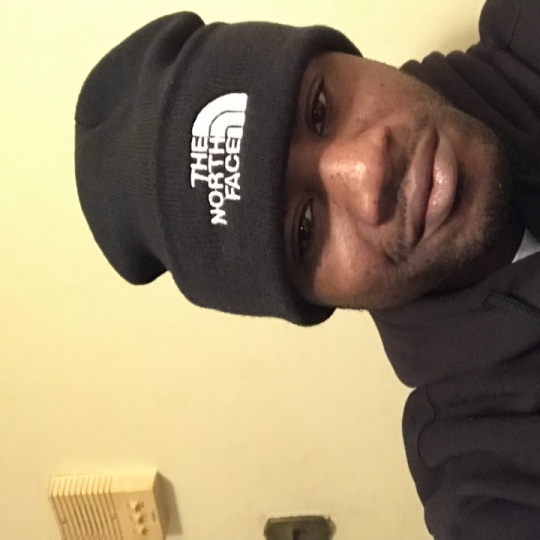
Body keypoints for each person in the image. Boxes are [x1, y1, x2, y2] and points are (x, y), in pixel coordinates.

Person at [75, 1, 540, 537]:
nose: (368, 171)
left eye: (319, 108)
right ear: (318, 298)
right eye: (305, 228)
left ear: (343, 55)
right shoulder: (484, 475)